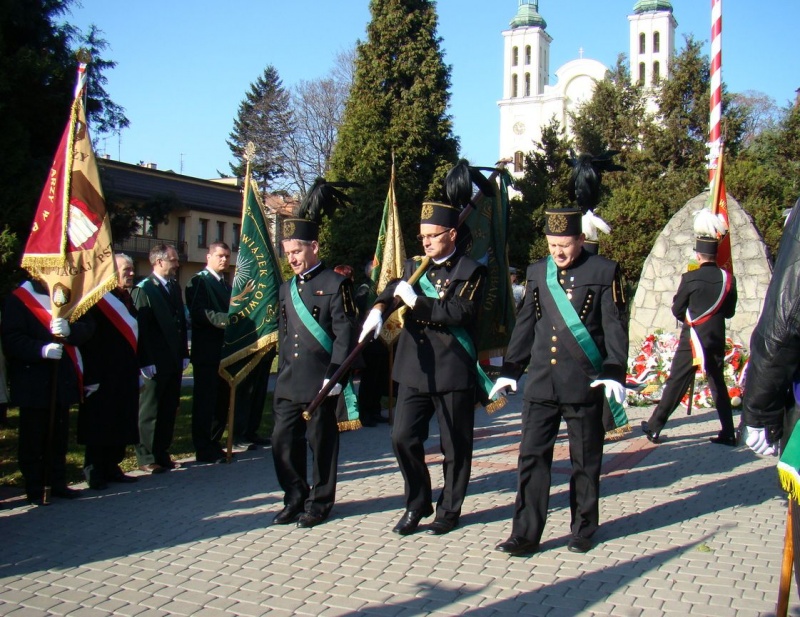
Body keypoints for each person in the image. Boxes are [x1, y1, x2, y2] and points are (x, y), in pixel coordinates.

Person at [489, 207, 628, 555]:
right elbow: (526, 325)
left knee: (585, 460)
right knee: (532, 459)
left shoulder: (604, 271)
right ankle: (524, 534)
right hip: (540, 383)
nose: (558, 253)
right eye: (552, 245)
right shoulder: (538, 272)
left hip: (583, 382)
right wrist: (510, 368)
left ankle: (583, 528)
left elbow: (614, 327)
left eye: (565, 244)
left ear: (581, 239)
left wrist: (614, 370)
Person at [360, 200, 487, 536]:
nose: (427, 242)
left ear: (452, 234)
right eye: (422, 236)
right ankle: (417, 502)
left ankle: (449, 509)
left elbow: (460, 312)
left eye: (433, 235)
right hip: (414, 368)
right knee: (402, 437)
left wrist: (417, 301)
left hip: (452, 370)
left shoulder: (472, 270)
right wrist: (377, 308)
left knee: (454, 448)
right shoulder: (415, 266)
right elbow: (392, 289)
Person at [271, 215, 358, 529]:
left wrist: (335, 375)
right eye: (287, 252)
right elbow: (285, 336)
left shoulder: (336, 284)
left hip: (321, 382)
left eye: (296, 251)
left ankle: (319, 503)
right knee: (282, 442)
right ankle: (295, 498)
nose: (291, 258)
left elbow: (345, 334)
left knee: (321, 445)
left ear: (314, 247)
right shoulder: (286, 289)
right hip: (288, 381)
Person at [1, 279, 95, 504]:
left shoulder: (67, 296)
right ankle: (35, 487)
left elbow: (89, 326)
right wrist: (40, 349)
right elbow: (11, 339)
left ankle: (57, 482)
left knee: (59, 435)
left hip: (59, 378)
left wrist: (71, 330)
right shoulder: (19, 299)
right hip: (33, 380)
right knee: (34, 439)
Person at [641, 233, 738, 446]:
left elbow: (677, 309)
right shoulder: (728, 279)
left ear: (698, 255)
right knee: (717, 382)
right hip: (715, 337)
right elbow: (729, 312)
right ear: (715, 255)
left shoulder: (690, 278)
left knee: (677, 381)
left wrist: (689, 318)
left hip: (692, 338)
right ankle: (729, 432)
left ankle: (655, 427)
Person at [78, 253, 140, 489]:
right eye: (126, 269)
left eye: (132, 269)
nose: (131, 273)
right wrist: (90, 375)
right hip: (102, 372)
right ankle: (94, 470)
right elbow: (91, 340)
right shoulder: (97, 300)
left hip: (124, 370)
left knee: (121, 419)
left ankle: (113, 465)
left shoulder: (126, 298)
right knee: (99, 422)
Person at [131, 244, 189, 474]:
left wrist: (184, 352)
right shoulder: (144, 289)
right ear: (159, 262)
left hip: (173, 359)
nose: (177, 264)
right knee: (150, 410)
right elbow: (142, 329)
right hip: (154, 360)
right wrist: (145, 359)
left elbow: (180, 324)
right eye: (173, 260)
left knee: (168, 407)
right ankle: (145, 456)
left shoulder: (173, 287)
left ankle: (162, 452)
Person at [185, 242, 232, 463]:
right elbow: (198, 312)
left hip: (223, 352)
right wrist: (226, 321)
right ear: (209, 256)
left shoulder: (225, 284)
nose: (224, 260)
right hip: (206, 352)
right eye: (220, 256)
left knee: (221, 402)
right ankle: (203, 447)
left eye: (227, 256)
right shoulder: (199, 281)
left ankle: (214, 442)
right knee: (205, 402)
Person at [354, 262, 391, 427]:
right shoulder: (364, 290)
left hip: (383, 340)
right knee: (368, 379)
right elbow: (362, 312)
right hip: (369, 342)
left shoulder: (381, 289)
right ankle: (365, 413)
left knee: (379, 378)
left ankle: (375, 410)